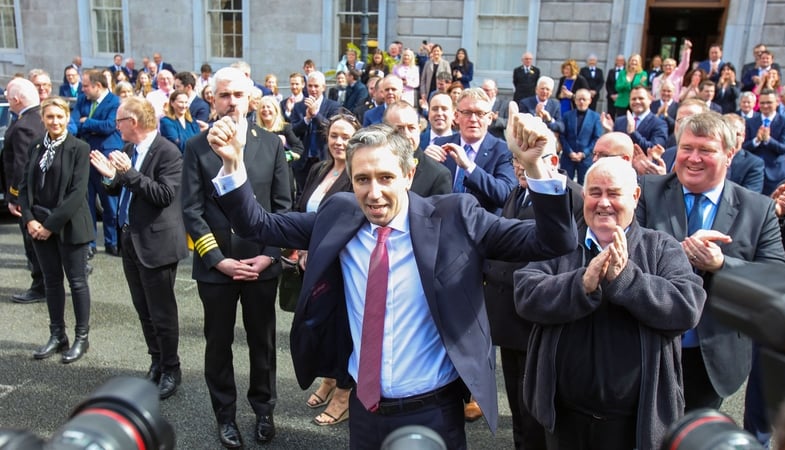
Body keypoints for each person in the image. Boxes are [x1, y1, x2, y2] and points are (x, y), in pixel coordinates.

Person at [207, 105, 577, 449]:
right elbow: (256, 224)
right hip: (364, 410)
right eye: (362, 179)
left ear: (409, 174)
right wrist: (233, 161)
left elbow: (553, 240)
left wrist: (536, 167)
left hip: (434, 411)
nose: (374, 192)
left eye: (386, 177)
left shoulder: (456, 217)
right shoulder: (340, 214)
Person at [516, 156, 706, 450]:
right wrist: (581, 284)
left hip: (633, 424)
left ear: (635, 196)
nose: (603, 203)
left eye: (614, 193)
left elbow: (686, 307)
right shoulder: (562, 243)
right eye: (595, 192)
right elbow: (526, 293)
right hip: (564, 419)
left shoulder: (661, 246)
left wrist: (627, 280)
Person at [636, 112, 785, 417]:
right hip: (645, 346)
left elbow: (776, 281)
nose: (693, 158)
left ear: (729, 155)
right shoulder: (646, 191)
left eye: (706, 150)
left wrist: (721, 264)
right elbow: (625, 252)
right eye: (687, 148)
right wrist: (677, 253)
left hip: (711, 356)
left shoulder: (758, 210)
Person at [181, 67, 292, 448]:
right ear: (213, 99)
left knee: (263, 343)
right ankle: (225, 416)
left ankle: (264, 409)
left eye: (238, 95)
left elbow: (282, 206)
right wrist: (218, 260)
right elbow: (191, 211)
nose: (231, 102)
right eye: (224, 95)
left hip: (260, 263)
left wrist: (269, 256)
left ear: (251, 99)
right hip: (218, 266)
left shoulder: (272, 144)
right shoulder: (196, 146)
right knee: (218, 344)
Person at [483, 148, 584, 450]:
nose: (519, 166)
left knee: (535, 408)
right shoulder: (517, 192)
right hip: (508, 317)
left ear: (553, 161)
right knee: (516, 402)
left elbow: (568, 253)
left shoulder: (571, 196)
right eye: (515, 160)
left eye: (527, 160)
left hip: (536, 318)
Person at [88, 97, 187, 398]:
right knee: (143, 308)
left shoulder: (168, 152)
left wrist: (129, 174)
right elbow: (119, 187)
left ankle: (172, 368)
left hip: (156, 243)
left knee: (162, 311)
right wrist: (110, 176)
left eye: (119, 121)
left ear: (133, 122)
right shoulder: (130, 149)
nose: (115, 127)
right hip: (130, 238)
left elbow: (164, 195)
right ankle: (156, 361)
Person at [294, 113, 361, 427]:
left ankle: (345, 393)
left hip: (343, 266)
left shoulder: (357, 174)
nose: (339, 142)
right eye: (334, 135)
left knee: (344, 330)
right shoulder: (319, 169)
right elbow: (302, 210)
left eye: (346, 136)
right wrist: (300, 248)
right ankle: (330, 377)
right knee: (320, 326)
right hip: (314, 264)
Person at [19, 97, 94, 363]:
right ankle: (57, 334)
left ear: (67, 117)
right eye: (50, 117)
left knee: (77, 282)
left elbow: (76, 193)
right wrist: (29, 219)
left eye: (60, 116)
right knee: (52, 282)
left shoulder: (79, 148)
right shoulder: (37, 146)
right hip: (37, 226)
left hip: (69, 226)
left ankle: (81, 338)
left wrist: (50, 226)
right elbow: (25, 185)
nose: (55, 121)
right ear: (43, 118)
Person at [425, 88, 517, 214]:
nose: (473, 119)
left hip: (482, 229)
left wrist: (469, 167)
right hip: (441, 224)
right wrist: (424, 164)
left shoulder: (503, 150)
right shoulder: (442, 144)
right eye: (467, 113)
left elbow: (506, 196)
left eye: (480, 113)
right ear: (456, 116)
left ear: (489, 118)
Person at [68, 69, 123, 258]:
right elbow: (74, 123)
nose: (82, 90)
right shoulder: (82, 100)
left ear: (97, 86)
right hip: (85, 158)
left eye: (85, 86)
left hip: (106, 158)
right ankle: (89, 243)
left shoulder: (114, 102)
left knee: (110, 204)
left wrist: (88, 123)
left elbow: (109, 126)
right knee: (87, 204)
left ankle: (113, 241)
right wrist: (86, 125)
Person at [4, 78, 46, 304]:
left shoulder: (24, 125)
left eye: (9, 97)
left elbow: (22, 166)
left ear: (17, 99)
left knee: (34, 245)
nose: (8, 102)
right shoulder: (35, 118)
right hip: (39, 195)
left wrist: (14, 197)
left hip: (30, 197)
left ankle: (40, 287)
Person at [384, 100, 452, 196]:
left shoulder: (438, 175)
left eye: (411, 128)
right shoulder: (372, 165)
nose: (407, 135)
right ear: (385, 130)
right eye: (399, 129)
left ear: (419, 129)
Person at [290, 70, 340, 194]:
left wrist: (315, 115)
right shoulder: (298, 107)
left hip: (323, 158)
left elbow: (331, 128)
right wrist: (306, 119)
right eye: (310, 86)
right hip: (303, 161)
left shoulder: (333, 106)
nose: (313, 89)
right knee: (302, 195)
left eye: (316, 86)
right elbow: (293, 131)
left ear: (323, 87)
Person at [743, 89, 785, 195]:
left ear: (777, 102)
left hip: (776, 174)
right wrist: (756, 140)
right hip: (753, 172)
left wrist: (768, 140)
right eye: (762, 103)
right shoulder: (750, 122)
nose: (765, 106)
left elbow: (783, 148)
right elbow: (744, 146)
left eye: (769, 102)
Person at [559, 88, 602, 184]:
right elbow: (562, 136)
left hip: (586, 158)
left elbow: (597, 138)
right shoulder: (567, 115)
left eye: (584, 99)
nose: (581, 102)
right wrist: (570, 152)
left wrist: (584, 153)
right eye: (579, 99)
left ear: (590, 101)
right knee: (565, 185)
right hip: (568, 157)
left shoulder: (595, 117)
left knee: (584, 186)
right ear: (575, 100)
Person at [255, 95, 304, 166]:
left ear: (276, 110)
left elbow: (298, 148)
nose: (265, 109)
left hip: (281, 170)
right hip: (262, 169)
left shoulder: (284, 127)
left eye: (268, 107)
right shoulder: (255, 129)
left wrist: (284, 157)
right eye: (262, 107)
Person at [723, 113, 765, 194]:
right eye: (727, 133)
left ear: (743, 136)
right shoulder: (706, 157)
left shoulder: (754, 163)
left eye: (736, 134)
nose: (731, 138)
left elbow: (750, 196)